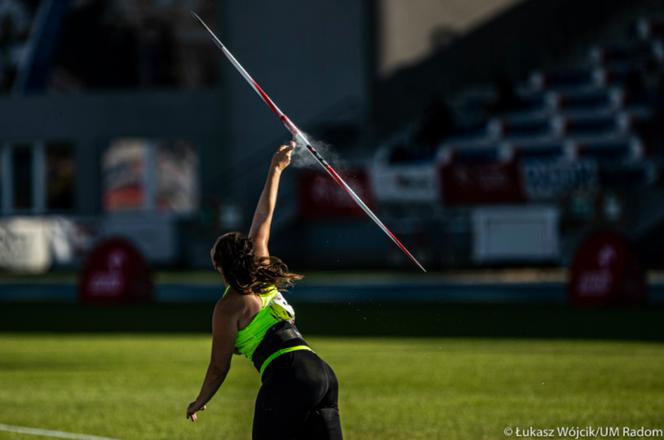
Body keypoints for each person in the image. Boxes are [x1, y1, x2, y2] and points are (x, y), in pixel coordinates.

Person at [186, 141, 343, 439]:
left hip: (290, 376)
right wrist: (275, 169)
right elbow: (263, 218)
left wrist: (200, 400)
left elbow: (219, 366)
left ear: (219, 265)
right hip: (321, 372)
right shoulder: (262, 274)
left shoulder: (228, 307)